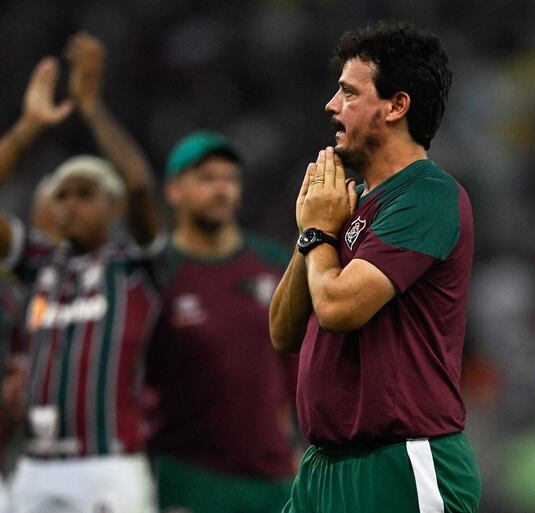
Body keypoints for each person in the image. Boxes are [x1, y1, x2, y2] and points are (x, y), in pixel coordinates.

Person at [269, 21, 481, 513]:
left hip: (401, 461)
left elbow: (340, 307)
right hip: (323, 467)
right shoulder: (352, 204)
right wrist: (314, 232)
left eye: (348, 92)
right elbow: (282, 330)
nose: (331, 105)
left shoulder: (429, 195)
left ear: (396, 106)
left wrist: (319, 233)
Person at [0, 32, 162, 513]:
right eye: (62, 196)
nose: (70, 205)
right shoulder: (40, 264)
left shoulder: (134, 267)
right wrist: (28, 127)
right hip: (35, 463)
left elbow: (136, 184)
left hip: (107, 465)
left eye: (85, 194)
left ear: (112, 206)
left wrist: (91, 107)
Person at [144, 131, 297, 513]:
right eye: (206, 178)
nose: (221, 189)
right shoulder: (156, 273)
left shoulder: (274, 264)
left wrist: (304, 445)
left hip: (274, 477)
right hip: (190, 476)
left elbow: (297, 363)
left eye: (230, 179)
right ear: (174, 190)